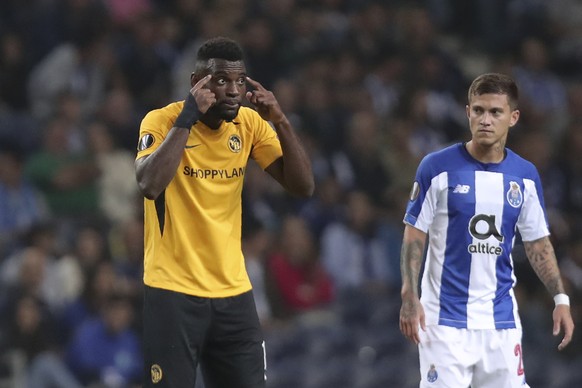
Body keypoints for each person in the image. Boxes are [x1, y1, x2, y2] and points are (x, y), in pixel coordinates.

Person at [134, 36, 314, 388]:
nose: (233, 90)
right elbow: (149, 184)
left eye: (239, 81)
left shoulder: (248, 125)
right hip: (173, 293)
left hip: (234, 293)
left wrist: (281, 121)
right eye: (221, 80)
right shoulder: (161, 121)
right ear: (196, 84)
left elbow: (302, 186)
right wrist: (186, 118)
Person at [399, 72, 575, 387]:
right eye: (478, 110)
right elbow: (415, 235)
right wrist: (409, 293)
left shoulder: (524, 175)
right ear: (468, 112)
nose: (485, 119)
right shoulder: (436, 168)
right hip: (444, 321)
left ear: (513, 117)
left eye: (495, 112)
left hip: (501, 321)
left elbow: (537, 243)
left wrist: (560, 298)